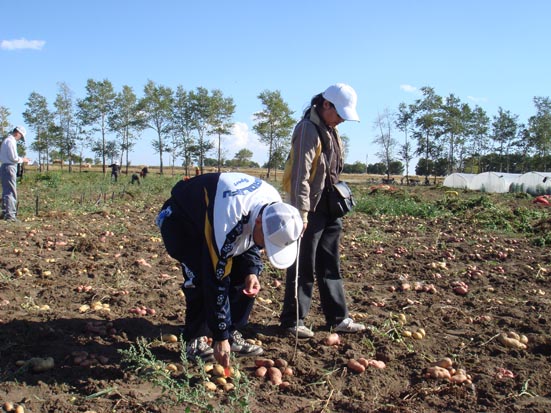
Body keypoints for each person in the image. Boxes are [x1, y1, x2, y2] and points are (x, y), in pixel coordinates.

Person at [156, 172, 302, 368]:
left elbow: (249, 238)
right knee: (200, 276)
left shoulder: (274, 206)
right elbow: (216, 277)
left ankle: (232, 332)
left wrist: (252, 270)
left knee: (245, 277)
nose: (266, 249)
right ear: (259, 222)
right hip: (183, 222)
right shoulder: (228, 216)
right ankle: (195, 338)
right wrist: (219, 335)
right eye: (267, 242)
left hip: (222, 221)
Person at [279, 83, 366, 338]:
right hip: (310, 208)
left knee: (330, 263)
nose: (341, 120)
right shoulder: (308, 129)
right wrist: (301, 213)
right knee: (303, 264)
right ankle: (292, 320)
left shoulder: (331, 129)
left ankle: (338, 318)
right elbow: (299, 176)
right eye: (338, 114)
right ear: (325, 105)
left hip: (329, 207)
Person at [0, 126, 30, 222]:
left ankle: (5, 212)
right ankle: (10, 216)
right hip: (10, 167)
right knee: (11, 191)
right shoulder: (11, 141)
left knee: (6, 191)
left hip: (5, 166)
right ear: (17, 133)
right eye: (20, 136)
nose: (20, 138)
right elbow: (13, 158)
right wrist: (23, 160)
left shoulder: (6, 141)